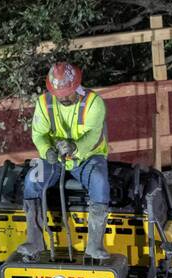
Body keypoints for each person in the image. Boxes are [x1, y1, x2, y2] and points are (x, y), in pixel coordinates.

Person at [16, 62, 111, 261]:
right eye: (59, 95)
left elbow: (93, 135)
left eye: (68, 93)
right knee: (32, 179)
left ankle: (94, 244)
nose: (64, 98)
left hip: (87, 158)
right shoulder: (43, 103)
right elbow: (39, 134)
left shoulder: (94, 103)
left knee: (100, 181)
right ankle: (34, 240)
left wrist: (75, 148)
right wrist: (47, 150)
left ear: (77, 85)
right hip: (54, 159)